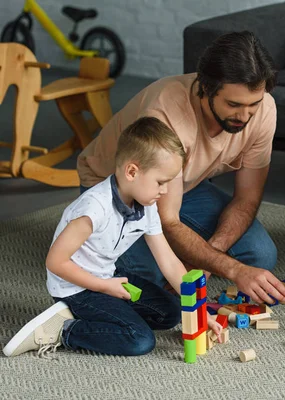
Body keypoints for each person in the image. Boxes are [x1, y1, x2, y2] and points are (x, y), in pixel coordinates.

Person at [76, 31, 285, 304]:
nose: (244, 116)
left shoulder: (264, 110)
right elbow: (168, 220)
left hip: (186, 185)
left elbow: (247, 197)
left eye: (253, 105)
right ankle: (83, 237)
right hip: (120, 190)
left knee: (260, 255)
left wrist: (210, 257)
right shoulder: (165, 113)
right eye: (233, 104)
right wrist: (230, 268)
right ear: (206, 88)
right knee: (148, 276)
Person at [3, 117, 222, 358]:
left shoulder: (147, 205)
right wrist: (104, 287)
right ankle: (66, 329)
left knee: (171, 312)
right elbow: (55, 262)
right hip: (76, 287)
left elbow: (168, 262)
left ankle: (107, 315)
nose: (166, 190)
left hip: (108, 277)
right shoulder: (93, 209)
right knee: (139, 340)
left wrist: (201, 313)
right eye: (161, 182)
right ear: (132, 172)